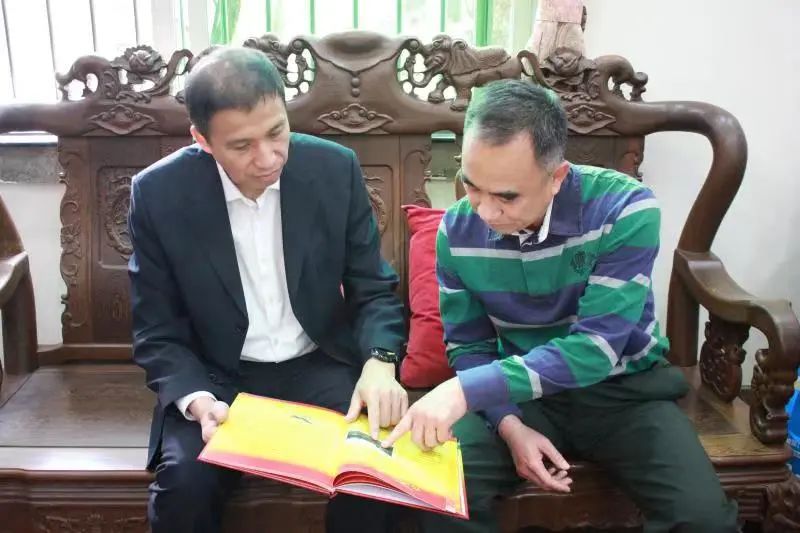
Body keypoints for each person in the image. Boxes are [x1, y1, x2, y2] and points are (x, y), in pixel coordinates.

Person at [383, 79, 739, 532]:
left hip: (624, 394)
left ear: (556, 177)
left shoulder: (624, 208)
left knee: (703, 519)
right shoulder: (456, 230)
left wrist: (462, 392)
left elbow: (595, 349)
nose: (485, 212)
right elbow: (469, 346)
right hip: (517, 394)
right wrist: (510, 425)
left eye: (506, 196)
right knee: (435, 492)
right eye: (472, 186)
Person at [128, 46, 407, 533]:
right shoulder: (158, 194)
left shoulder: (333, 170)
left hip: (319, 364)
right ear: (202, 139)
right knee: (184, 488)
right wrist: (196, 400)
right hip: (217, 378)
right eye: (241, 146)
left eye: (277, 132)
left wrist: (380, 363)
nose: (268, 157)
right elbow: (156, 329)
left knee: (374, 472)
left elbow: (373, 289)